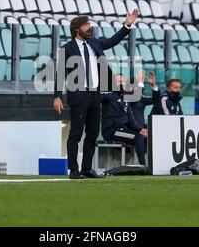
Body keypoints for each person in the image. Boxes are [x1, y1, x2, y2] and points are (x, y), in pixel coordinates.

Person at [53, 10, 140, 179]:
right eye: (86, 25)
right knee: (76, 134)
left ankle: (86, 169)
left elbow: (113, 41)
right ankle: (74, 171)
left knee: (92, 134)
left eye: (89, 25)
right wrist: (57, 96)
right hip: (79, 96)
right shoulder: (67, 49)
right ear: (77, 29)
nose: (89, 27)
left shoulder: (94, 43)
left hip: (95, 94)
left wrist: (127, 24)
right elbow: (60, 74)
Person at [101, 75, 148, 165]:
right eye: (118, 81)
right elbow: (99, 96)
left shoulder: (125, 98)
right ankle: (142, 164)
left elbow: (131, 119)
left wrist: (140, 129)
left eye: (122, 81)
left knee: (145, 136)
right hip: (112, 131)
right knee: (138, 137)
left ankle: (152, 164)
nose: (120, 83)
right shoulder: (108, 95)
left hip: (123, 130)